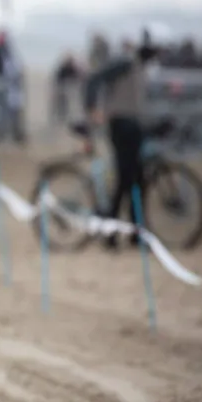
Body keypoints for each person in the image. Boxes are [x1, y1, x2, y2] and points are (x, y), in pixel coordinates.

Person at [83, 24, 168, 249]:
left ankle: (134, 233)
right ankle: (112, 233)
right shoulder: (125, 63)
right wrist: (92, 108)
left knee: (136, 180)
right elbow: (94, 79)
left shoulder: (140, 67)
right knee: (125, 179)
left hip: (133, 127)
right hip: (121, 126)